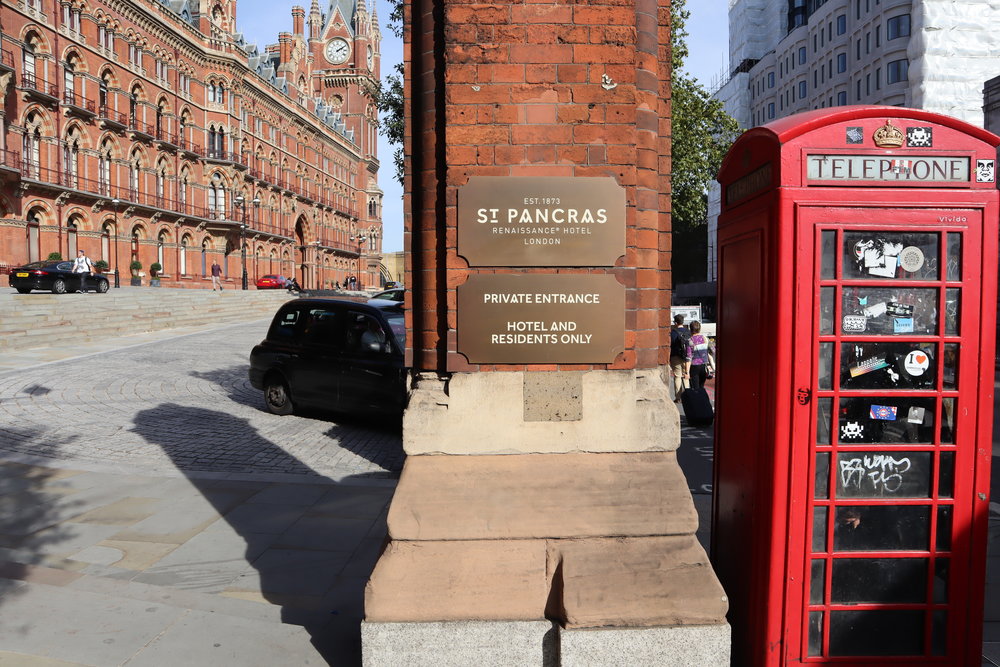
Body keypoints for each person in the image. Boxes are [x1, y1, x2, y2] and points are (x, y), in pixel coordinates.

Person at [669, 313, 691, 401]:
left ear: (675, 322)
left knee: (677, 376)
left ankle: (678, 397)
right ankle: (688, 396)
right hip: (687, 357)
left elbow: (670, 344)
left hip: (675, 356)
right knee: (686, 375)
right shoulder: (688, 332)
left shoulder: (673, 333)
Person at [685, 321, 712, 390]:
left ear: (690, 329)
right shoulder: (705, 338)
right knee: (701, 386)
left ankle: (696, 400)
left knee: (695, 388)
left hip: (694, 367)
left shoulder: (689, 341)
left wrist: (687, 372)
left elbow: (689, 357)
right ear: (699, 329)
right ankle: (702, 399)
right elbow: (713, 350)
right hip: (704, 366)